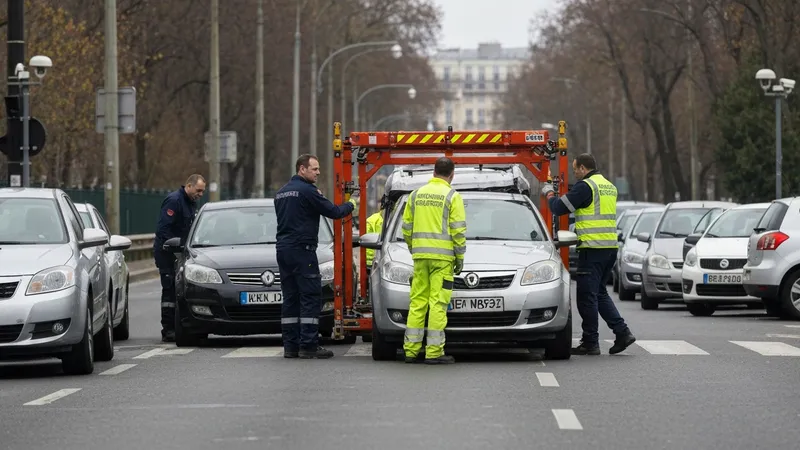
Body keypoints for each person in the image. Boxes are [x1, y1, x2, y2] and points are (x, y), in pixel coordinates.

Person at [542, 153, 636, 355]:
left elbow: (558, 208)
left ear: (583, 168)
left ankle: (591, 342)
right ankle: (622, 333)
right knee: (599, 293)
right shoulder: (608, 185)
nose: (574, 172)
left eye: (575, 169)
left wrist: (549, 192)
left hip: (592, 249)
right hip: (609, 248)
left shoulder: (586, 187)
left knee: (586, 297)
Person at [275, 154, 356, 359]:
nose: (318, 173)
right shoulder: (307, 191)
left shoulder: (281, 193)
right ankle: (309, 345)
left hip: (283, 250)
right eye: (315, 169)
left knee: (290, 298)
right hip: (303, 251)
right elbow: (334, 211)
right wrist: (351, 204)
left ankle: (291, 347)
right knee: (310, 297)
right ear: (302, 169)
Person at [401, 157, 467, 365]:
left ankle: (411, 351)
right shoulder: (452, 196)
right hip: (442, 259)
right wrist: (460, 257)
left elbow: (406, 228)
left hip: (420, 258)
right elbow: (458, 231)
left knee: (417, 302)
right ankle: (434, 352)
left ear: (434, 172)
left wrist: (414, 249)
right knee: (437, 303)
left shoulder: (415, 195)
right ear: (452, 174)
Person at [153, 174, 206, 342]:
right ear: (188, 186)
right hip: (168, 252)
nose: (200, 194)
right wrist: (175, 247)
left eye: (203, 191)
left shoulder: (191, 203)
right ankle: (168, 329)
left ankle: (184, 325)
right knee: (169, 291)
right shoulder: (174, 201)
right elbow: (163, 230)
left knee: (182, 290)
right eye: (198, 190)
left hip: (182, 252)